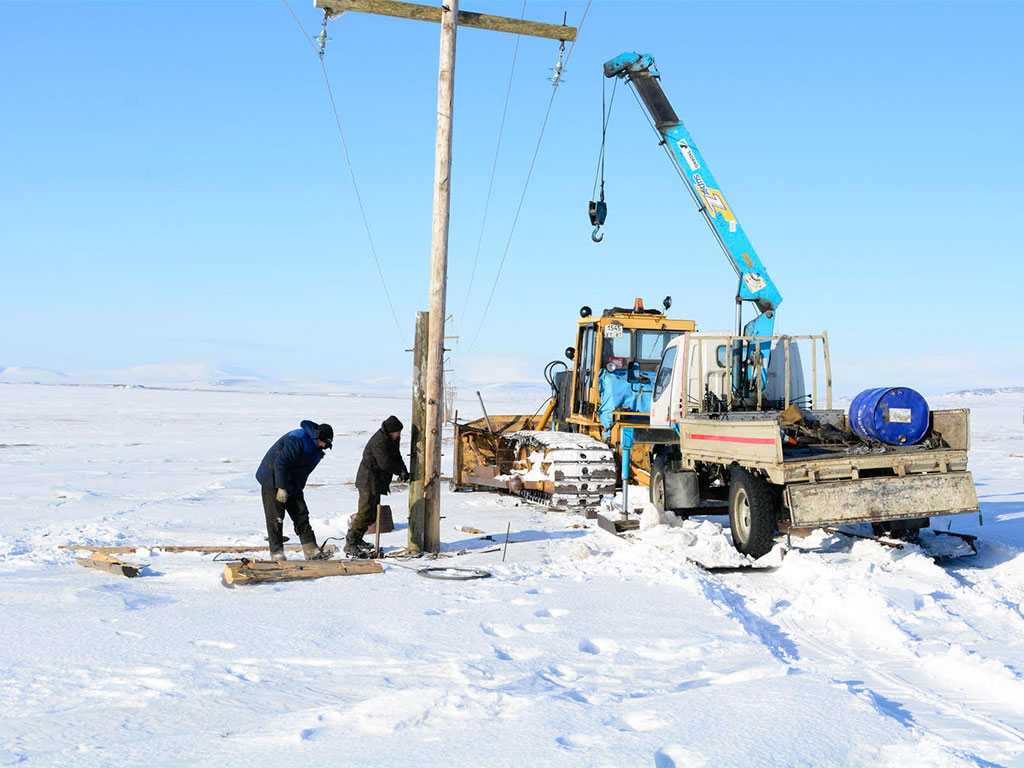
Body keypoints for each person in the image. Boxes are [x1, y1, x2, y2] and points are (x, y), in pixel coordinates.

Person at [256, 420, 333, 561]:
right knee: (276, 518)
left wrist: (294, 487)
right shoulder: (298, 439)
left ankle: (311, 550)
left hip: (292, 482)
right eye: (323, 443)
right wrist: (282, 488)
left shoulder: (316, 447)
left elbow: (301, 470)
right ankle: (276, 552)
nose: (324, 446)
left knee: (301, 514)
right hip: (272, 478)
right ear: (317, 437)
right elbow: (281, 464)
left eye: (327, 445)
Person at [349, 415, 409, 556]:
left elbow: (396, 455)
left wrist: (403, 470)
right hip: (368, 480)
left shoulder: (392, 439)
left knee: (371, 514)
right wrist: (398, 471)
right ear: (390, 431)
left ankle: (358, 539)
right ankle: (350, 542)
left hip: (376, 481)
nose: (399, 435)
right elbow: (385, 463)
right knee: (365, 512)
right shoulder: (380, 442)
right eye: (397, 432)